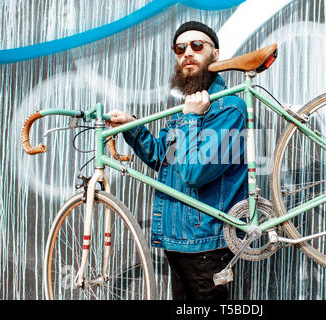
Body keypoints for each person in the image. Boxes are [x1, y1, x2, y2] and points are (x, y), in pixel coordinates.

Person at [106, 21, 248, 300]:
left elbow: (195, 172)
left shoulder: (230, 108)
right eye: (180, 48)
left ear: (215, 54)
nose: (187, 53)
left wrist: (192, 118)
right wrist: (133, 126)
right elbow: (164, 159)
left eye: (197, 46)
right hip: (176, 240)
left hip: (206, 242)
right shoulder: (184, 111)